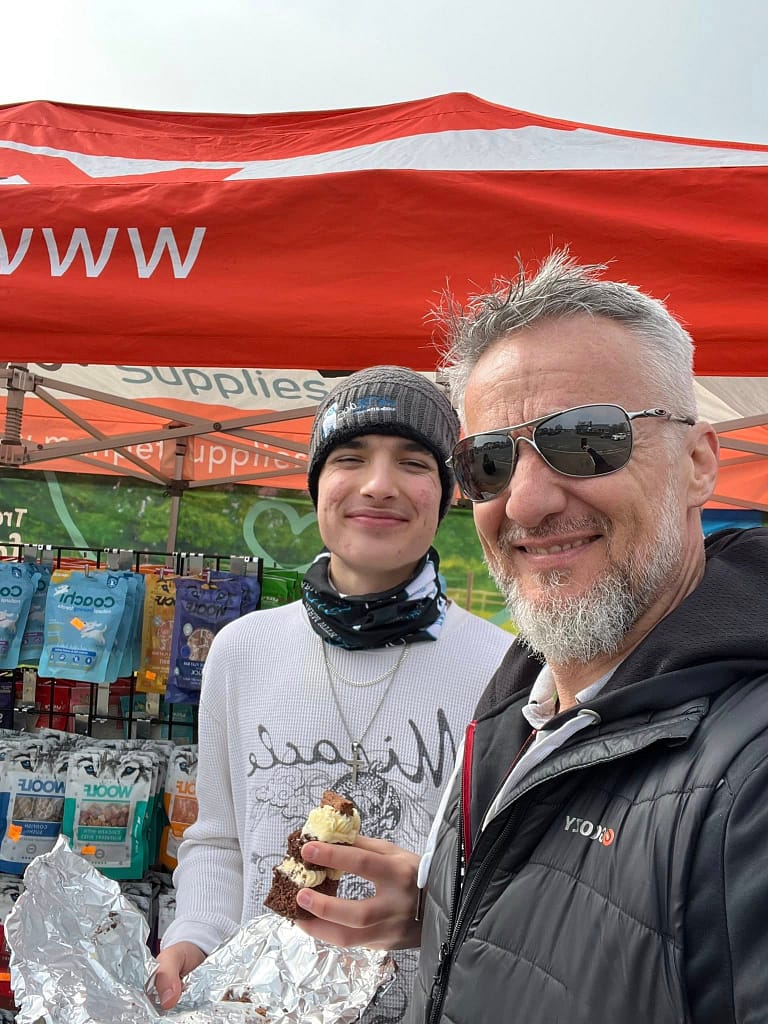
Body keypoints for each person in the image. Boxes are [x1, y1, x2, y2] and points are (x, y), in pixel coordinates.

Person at [292, 253, 768, 1024]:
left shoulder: (751, 777)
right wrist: (446, 910)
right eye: (488, 462)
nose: (528, 501)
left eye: (586, 439)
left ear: (698, 461)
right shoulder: (521, 699)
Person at [154, 365, 514, 1021]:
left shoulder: (502, 668)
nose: (378, 485)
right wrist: (192, 936)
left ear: (448, 493)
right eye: (350, 458)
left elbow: (510, 884)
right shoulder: (241, 650)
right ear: (317, 484)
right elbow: (218, 841)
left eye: (412, 463)